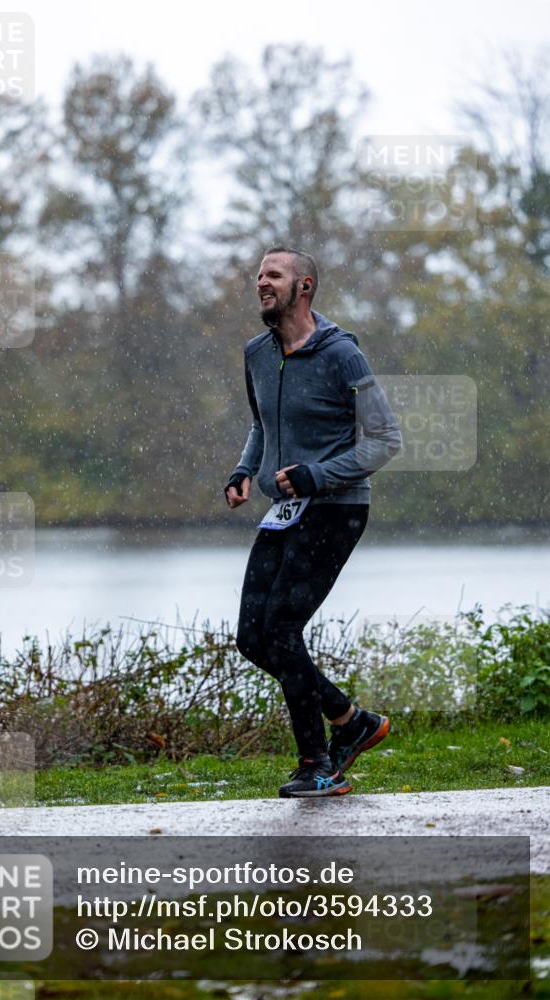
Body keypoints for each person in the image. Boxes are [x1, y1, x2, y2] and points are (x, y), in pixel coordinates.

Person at [224, 246, 402, 798]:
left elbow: (385, 440)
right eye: (258, 275)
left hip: (337, 508)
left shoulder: (342, 354)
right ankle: (352, 721)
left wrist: (318, 474)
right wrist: (245, 468)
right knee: (252, 637)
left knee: (279, 629)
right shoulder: (257, 352)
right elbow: (262, 424)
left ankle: (317, 763)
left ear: (304, 287)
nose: (261, 283)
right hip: (284, 511)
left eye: (272, 275)